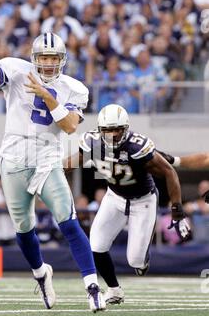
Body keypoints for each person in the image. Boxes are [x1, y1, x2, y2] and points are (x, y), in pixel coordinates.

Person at [0, 4, 105, 312]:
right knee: (23, 228)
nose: (48, 64)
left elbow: (70, 126)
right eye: (44, 58)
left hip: (46, 156)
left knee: (68, 220)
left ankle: (92, 287)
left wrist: (48, 95)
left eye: (53, 58)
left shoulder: (73, 88)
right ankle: (40, 273)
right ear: (34, 59)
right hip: (13, 156)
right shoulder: (17, 70)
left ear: (62, 60)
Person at [68, 104, 191, 305]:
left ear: (126, 128)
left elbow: (169, 172)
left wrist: (176, 209)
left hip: (142, 201)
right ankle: (115, 290)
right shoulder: (92, 143)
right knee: (96, 245)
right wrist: (52, 173)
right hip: (114, 197)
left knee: (136, 262)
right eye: (109, 130)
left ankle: (143, 255)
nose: (114, 134)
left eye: (118, 129)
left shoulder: (137, 146)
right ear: (100, 130)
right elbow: (73, 162)